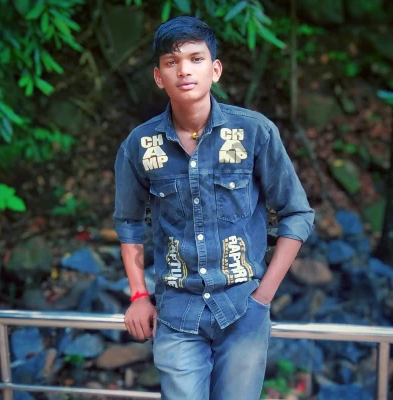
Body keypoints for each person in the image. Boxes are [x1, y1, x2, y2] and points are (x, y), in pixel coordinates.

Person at [114, 15, 314, 400]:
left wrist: (263, 297)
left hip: (243, 309)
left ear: (215, 69)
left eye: (196, 59)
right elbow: (128, 222)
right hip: (176, 312)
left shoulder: (254, 132)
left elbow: (297, 213)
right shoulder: (139, 145)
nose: (184, 70)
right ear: (158, 77)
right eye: (171, 62)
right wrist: (139, 296)